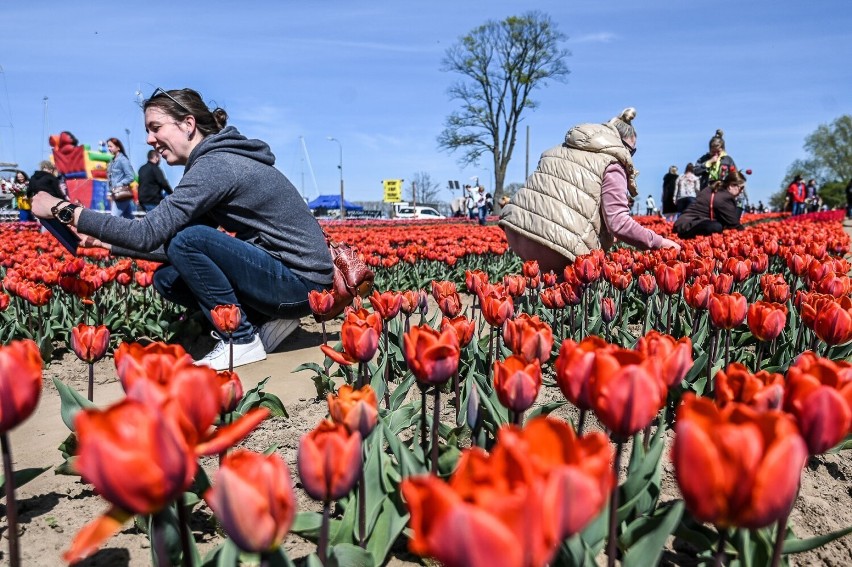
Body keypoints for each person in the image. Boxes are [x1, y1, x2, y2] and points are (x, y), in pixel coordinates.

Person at [32, 87, 334, 370]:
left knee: (187, 241)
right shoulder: (215, 161)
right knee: (168, 278)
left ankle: (241, 339)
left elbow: (151, 234)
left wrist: (63, 209)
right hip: (293, 278)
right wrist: (103, 243)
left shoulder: (215, 166)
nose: (150, 139)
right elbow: (170, 242)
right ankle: (265, 320)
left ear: (188, 124)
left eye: (155, 127)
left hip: (301, 283)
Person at [499, 107, 680, 274]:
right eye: (632, 152)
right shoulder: (612, 162)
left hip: (516, 231)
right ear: (622, 144)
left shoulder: (556, 150)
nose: (630, 157)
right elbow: (619, 223)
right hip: (555, 247)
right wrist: (661, 243)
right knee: (580, 289)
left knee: (549, 288)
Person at [673, 170, 747, 239]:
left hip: (682, 225)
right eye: (741, 188)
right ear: (731, 185)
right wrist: (747, 236)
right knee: (716, 227)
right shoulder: (725, 198)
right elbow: (733, 224)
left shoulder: (713, 189)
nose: (742, 191)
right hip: (687, 228)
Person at [106, 137, 137, 219]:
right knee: (128, 218)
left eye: (111, 146)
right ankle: (139, 231)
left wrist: (118, 185)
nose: (109, 149)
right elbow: (110, 179)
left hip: (121, 193)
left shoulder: (123, 160)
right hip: (116, 194)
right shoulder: (112, 161)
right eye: (108, 146)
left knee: (113, 218)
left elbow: (130, 176)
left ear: (118, 147)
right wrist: (110, 191)